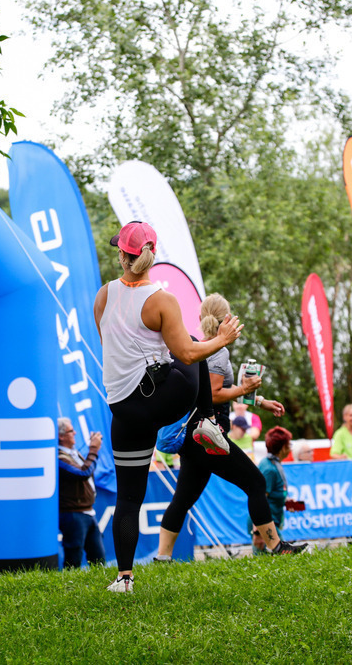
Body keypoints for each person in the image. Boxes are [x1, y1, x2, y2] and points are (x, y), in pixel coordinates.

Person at [94, 222, 243, 593]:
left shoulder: (103, 295)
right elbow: (189, 354)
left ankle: (124, 578)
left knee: (129, 498)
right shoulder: (161, 300)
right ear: (151, 256)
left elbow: (112, 345)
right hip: (162, 401)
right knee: (194, 345)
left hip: (123, 410)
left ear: (122, 255)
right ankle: (207, 420)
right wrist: (221, 339)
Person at [154, 293, 304, 568]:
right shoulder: (218, 350)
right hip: (210, 434)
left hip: (192, 435)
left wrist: (257, 400)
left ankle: (162, 557)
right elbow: (214, 393)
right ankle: (276, 546)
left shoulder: (196, 346)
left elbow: (214, 391)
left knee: (183, 498)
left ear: (201, 319)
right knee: (256, 483)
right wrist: (245, 390)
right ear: (228, 319)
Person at [57, 418, 106, 569]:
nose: (75, 433)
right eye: (71, 431)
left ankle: (100, 587)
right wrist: (93, 450)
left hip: (87, 512)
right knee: (73, 559)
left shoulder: (72, 453)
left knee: (98, 559)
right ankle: (69, 589)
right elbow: (83, 472)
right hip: (73, 514)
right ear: (62, 436)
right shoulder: (59, 457)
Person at [251, 427, 307, 553]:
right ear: (283, 448)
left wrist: (286, 500)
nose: (290, 448)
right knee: (284, 555)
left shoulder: (273, 463)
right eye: (289, 444)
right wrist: (257, 532)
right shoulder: (269, 469)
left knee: (268, 562)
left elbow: (271, 492)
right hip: (263, 525)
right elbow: (259, 499)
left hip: (269, 523)